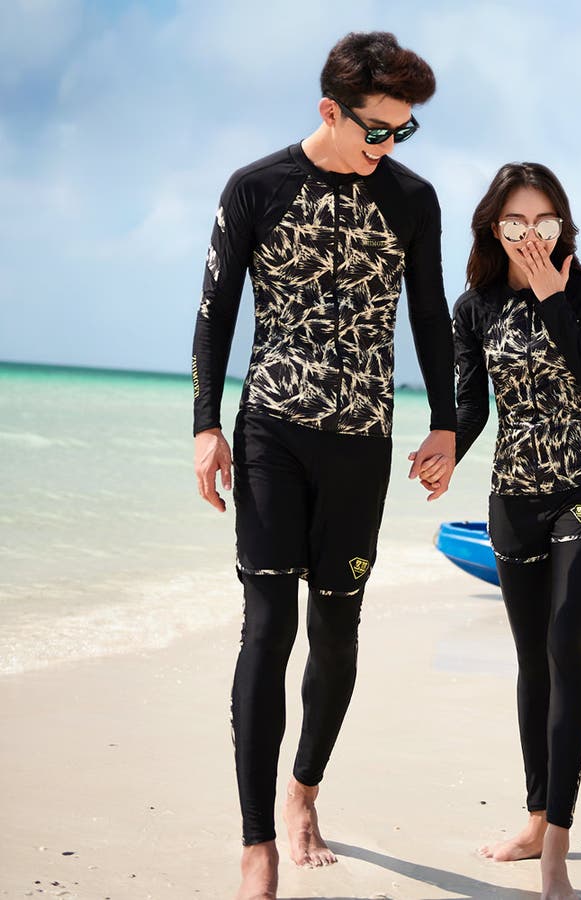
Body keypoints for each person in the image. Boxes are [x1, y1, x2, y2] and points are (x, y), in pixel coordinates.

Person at [190, 32, 455, 900]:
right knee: (268, 629)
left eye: (402, 130)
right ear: (329, 112)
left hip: (360, 441)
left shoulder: (413, 200)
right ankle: (256, 842)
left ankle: (304, 789)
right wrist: (205, 426)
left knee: (337, 631)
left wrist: (447, 424)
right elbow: (216, 311)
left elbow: (428, 317)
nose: (390, 144)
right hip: (271, 430)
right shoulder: (256, 186)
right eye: (377, 129)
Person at [450, 163, 581, 900]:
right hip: (513, 500)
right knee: (531, 662)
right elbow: (471, 407)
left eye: (544, 223)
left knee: (565, 649)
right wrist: (444, 449)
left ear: (561, 225)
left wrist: (553, 296)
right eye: (516, 223)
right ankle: (534, 816)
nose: (531, 237)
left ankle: (556, 848)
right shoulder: (475, 307)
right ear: (496, 228)